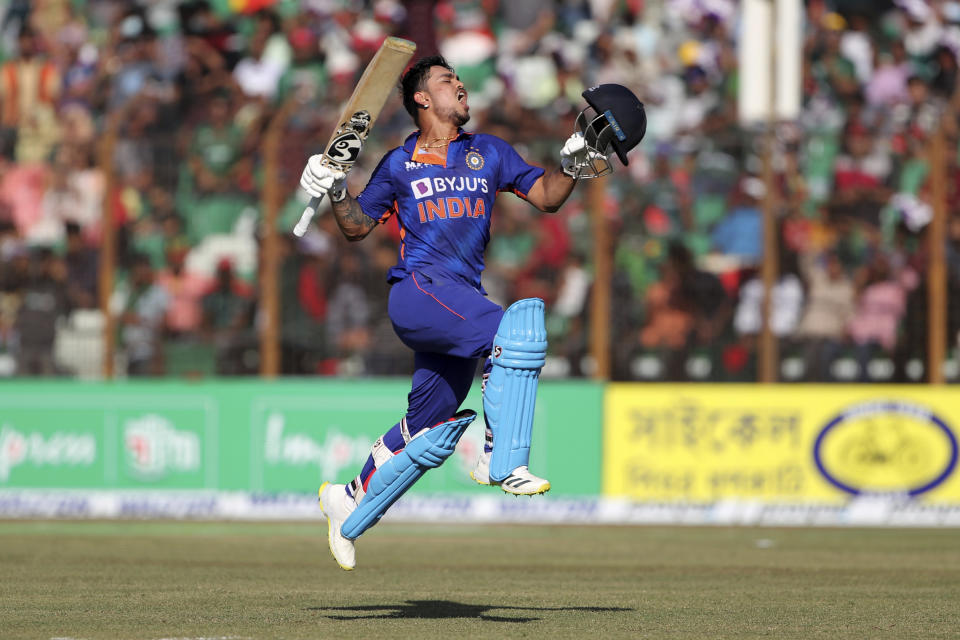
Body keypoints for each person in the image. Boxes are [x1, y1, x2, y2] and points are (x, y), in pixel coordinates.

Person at [298, 55, 643, 570]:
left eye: (459, 79)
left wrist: (573, 163)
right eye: (446, 81)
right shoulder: (398, 164)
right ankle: (500, 457)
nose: (460, 86)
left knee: (427, 430)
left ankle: (346, 504)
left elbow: (546, 196)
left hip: (457, 300)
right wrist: (335, 187)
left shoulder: (490, 152)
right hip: (417, 292)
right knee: (515, 331)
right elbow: (355, 227)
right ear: (422, 99)